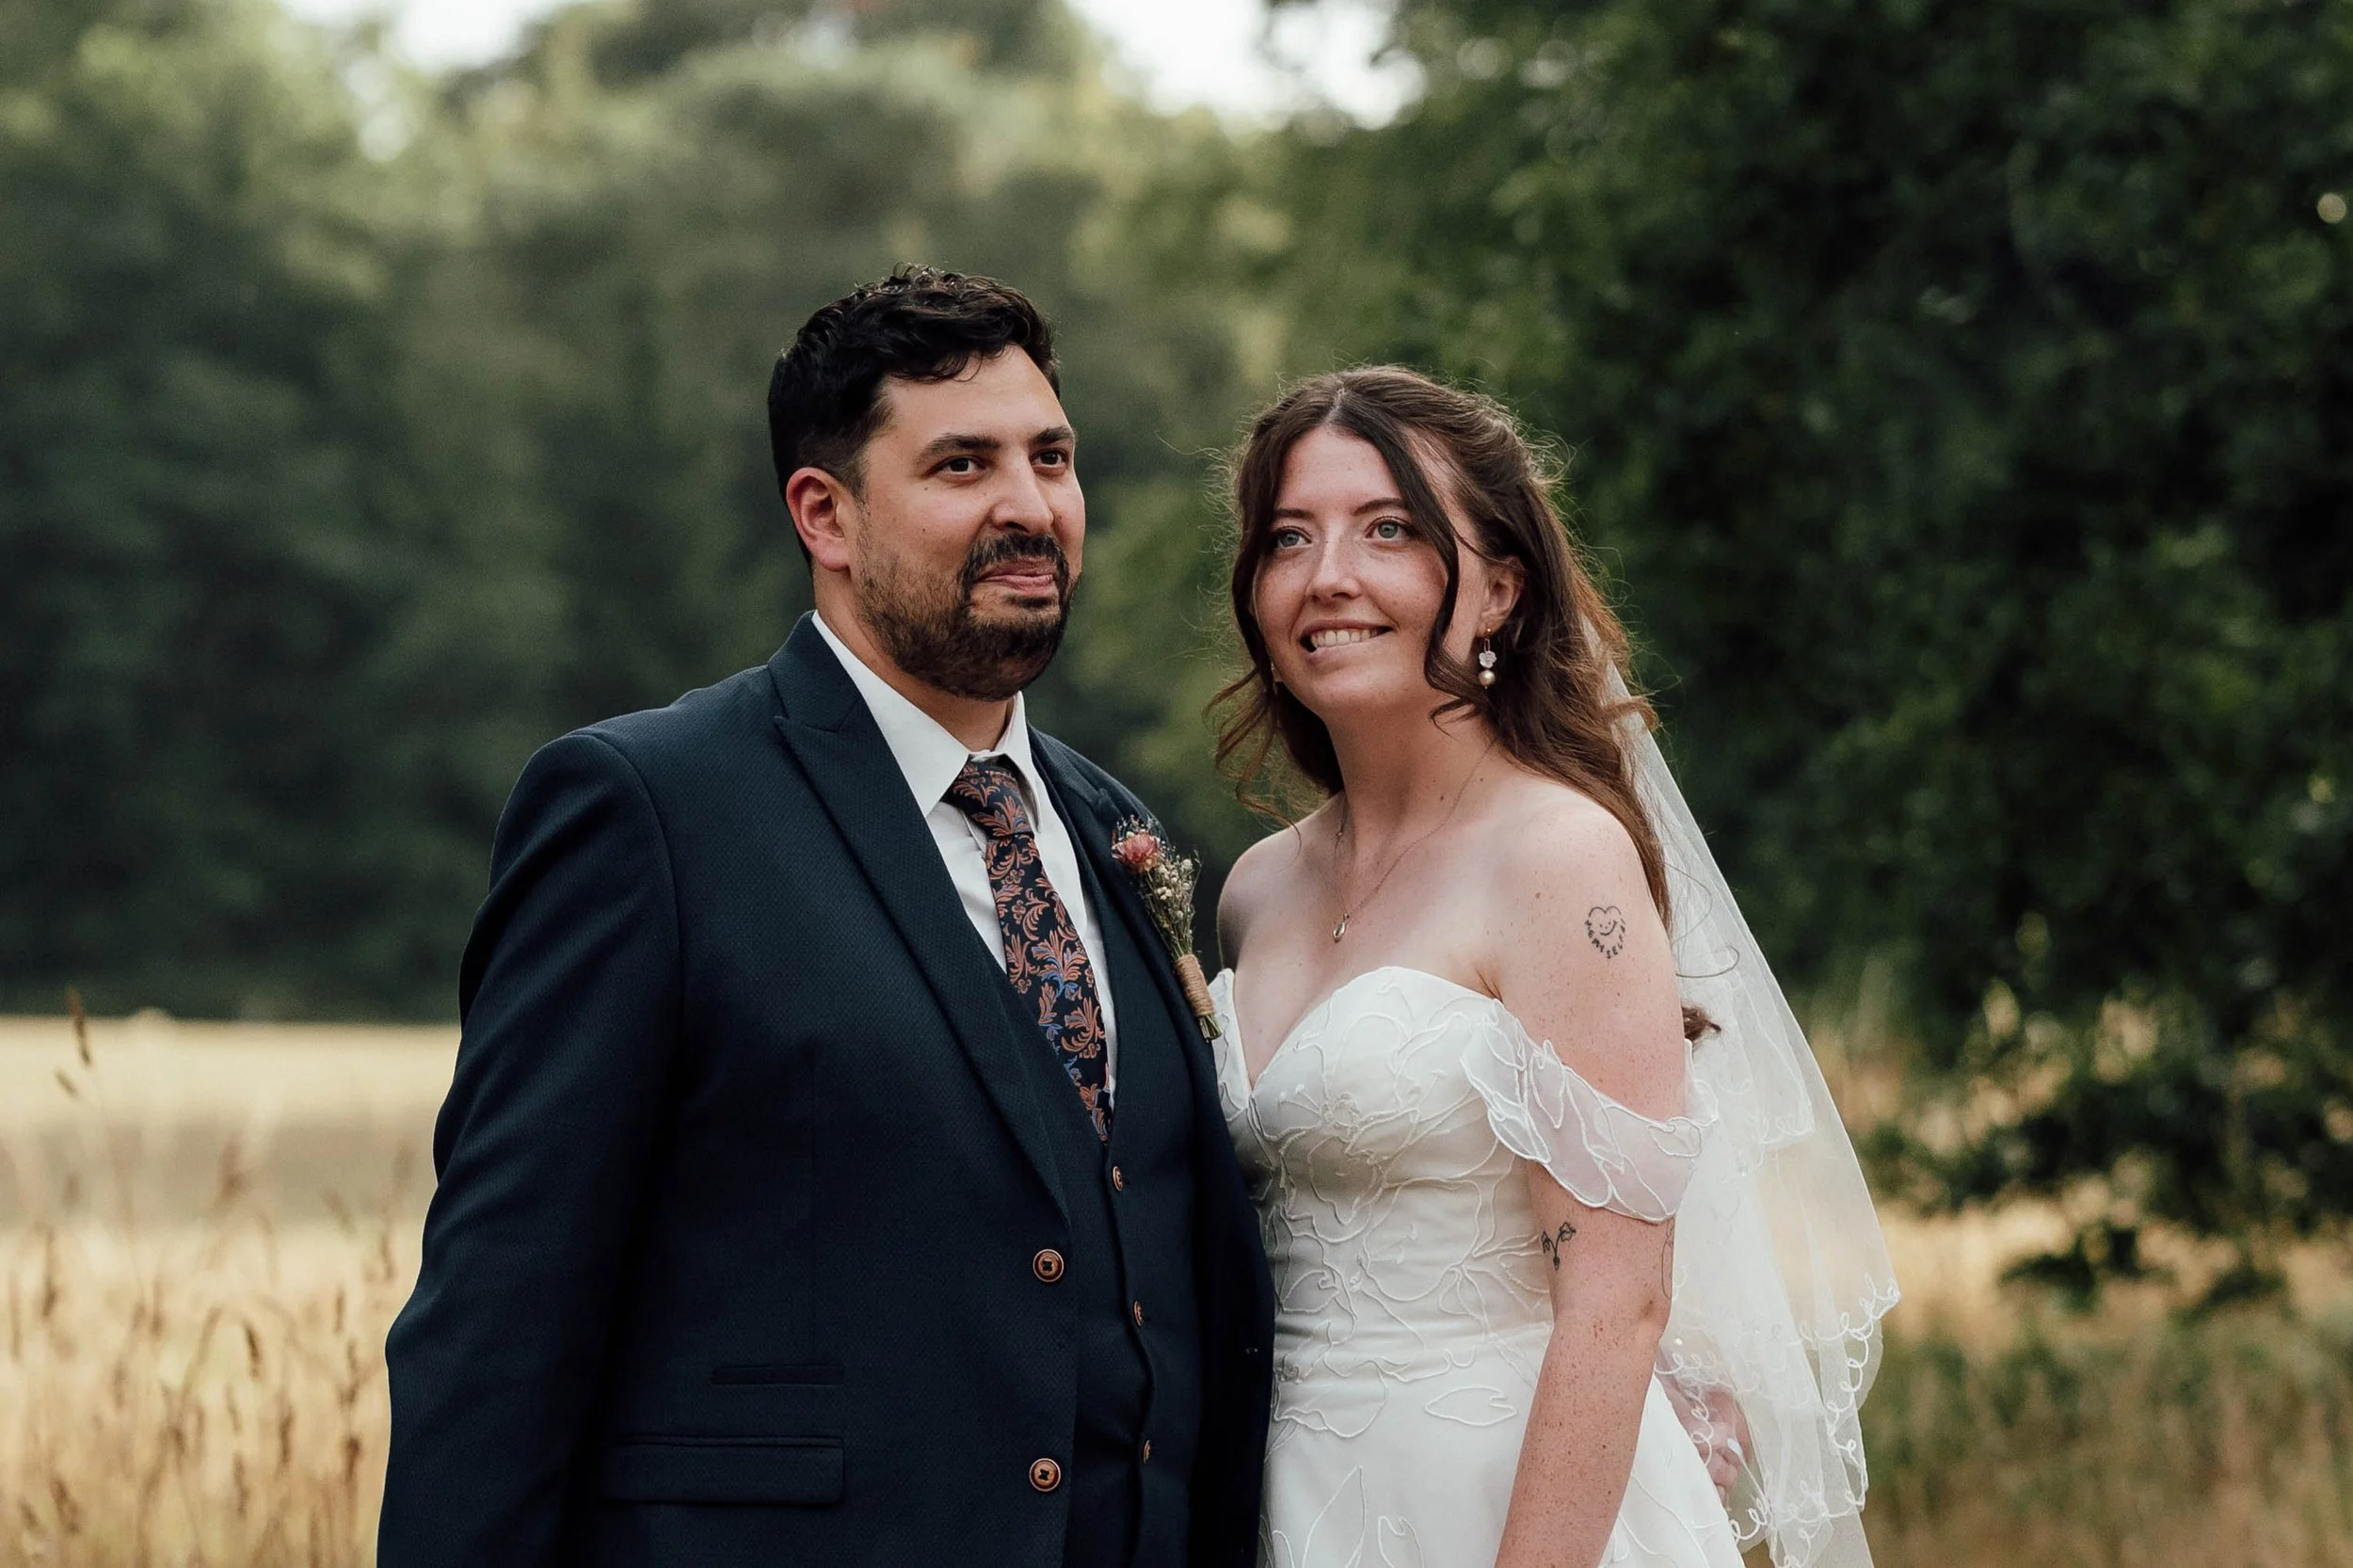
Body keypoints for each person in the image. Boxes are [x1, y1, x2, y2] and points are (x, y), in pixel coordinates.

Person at [378, 266, 1275, 1568]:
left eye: (1053, 457)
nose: (1030, 507)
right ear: (827, 514)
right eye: (962, 465)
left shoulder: (1107, 822)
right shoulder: (649, 809)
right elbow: (500, 1317)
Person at [1209, 368, 1898, 1568]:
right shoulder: (1256, 889)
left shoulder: (1558, 857)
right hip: (1290, 1498)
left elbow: (1617, 1307)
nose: (1329, 576)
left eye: (1390, 531)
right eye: (1287, 538)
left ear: (1502, 588)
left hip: (1511, 1504)